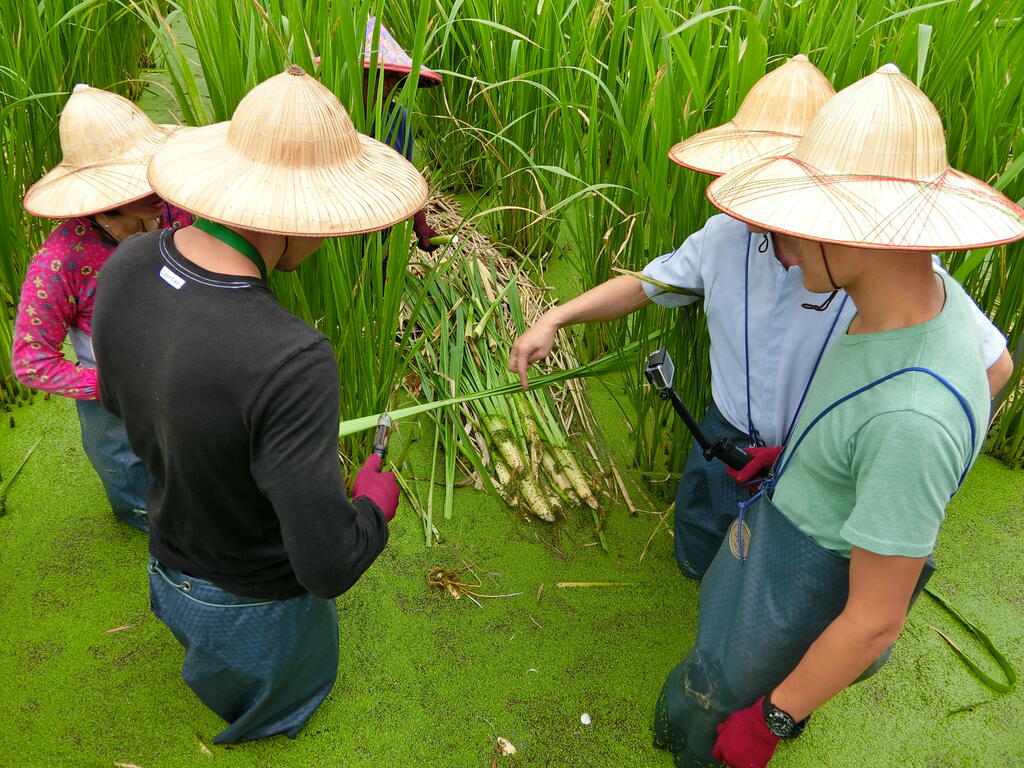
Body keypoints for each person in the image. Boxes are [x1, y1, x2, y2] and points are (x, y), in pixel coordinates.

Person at [507, 56, 1012, 579]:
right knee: (702, 556)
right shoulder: (726, 237)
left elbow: (993, 366)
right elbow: (646, 285)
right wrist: (556, 317)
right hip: (725, 439)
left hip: (813, 462)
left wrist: (911, 473)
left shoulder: (889, 265)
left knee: (780, 585)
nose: (783, 233)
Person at [654, 63, 1024, 768]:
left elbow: (874, 619)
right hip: (779, 530)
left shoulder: (914, 418)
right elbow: (978, 377)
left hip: (801, 590)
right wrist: (814, 465)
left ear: (861, 228)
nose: (779, 248)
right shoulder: (902, 313)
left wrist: (772, 722)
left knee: (715, 711)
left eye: (795, 224)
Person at [91, 66, 427, 743]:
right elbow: (326, 566)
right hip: (255, 605)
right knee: (285, 708)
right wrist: (371, 507)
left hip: (167, 565)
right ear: (300, 213)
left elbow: (122, 406)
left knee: (213, 666)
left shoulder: (125, 263)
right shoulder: (291, 357)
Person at [13, 84, 192, 532]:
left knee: (192, 460)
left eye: (153, 170)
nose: (153, 187)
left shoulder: (178, 213)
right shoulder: (61, 262)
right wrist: (110, 386)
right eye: (134, 179)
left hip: (187, 367)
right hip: (111, 391)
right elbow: (32, 362)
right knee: (130, 474)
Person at [316, 15, 444, 251]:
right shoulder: (326, 116)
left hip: (380, 233)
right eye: (378, 76)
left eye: (393, 78)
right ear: (352, 75)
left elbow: (405, 176)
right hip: (332, 234)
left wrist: (420, 223)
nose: (387, 87)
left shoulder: (399, 118)